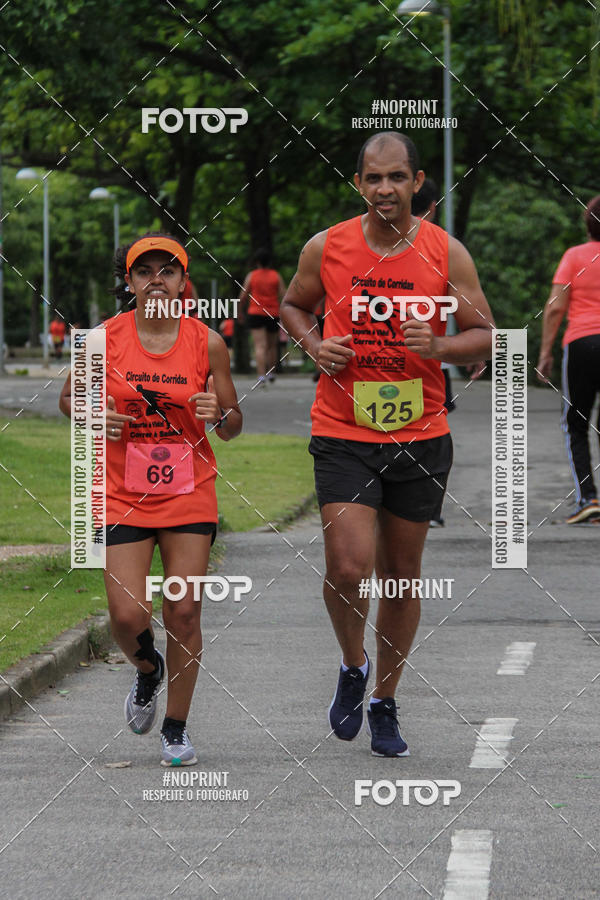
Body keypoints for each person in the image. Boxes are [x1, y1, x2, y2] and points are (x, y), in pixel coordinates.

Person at [281, 132, 494, 757]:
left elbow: (486, 334)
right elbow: (292, 306)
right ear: (358, 184)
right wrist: (315, 345)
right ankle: (353, 665)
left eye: (397, 178)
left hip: (420, 434)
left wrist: (443, 347)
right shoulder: (328, 246)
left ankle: (385, 700)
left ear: (418, 182)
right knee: (348, 568)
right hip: (343, 429)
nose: (385, 190)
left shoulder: (444, 253)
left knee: (402, 576)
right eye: (374, 179)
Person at [59, 233, 242, 766]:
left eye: (168, 271)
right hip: (122, 492)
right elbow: (70, 400)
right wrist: (94, 416)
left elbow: (233, 424)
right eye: (145, 272)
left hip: (189, 491)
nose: (156, 280)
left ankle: (176, 729)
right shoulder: (103, 340)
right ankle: (147, 670)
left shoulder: (207, 343)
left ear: (185, 283)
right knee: (125, 614)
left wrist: (218, 414)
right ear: (129, 282)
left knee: (183, 611)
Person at [537, 195, 600, 524]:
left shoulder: (575, 257)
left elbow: (556, 307)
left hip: (582, 343)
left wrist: (546, 352)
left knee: (576, 422)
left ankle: (588, 498)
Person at [238, 249, 286, 386]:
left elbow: (243, 296)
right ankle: (271, 373)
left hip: (255, 312)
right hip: (273, 313)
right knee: (272, 346)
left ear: (257, 262)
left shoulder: (252, 276)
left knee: (260, 345)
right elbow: (284, 295)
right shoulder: (276, 276)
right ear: (270, 262)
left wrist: (240, 311)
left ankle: (261, 375)